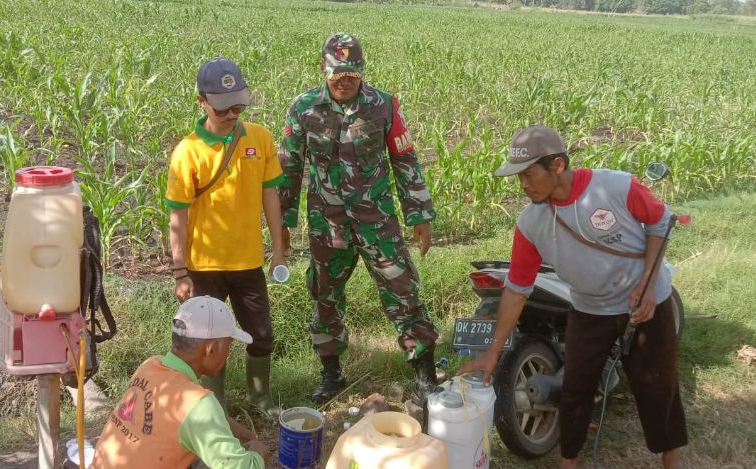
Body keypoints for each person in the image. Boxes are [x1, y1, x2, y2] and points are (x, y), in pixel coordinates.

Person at [458, 125, 687, 469]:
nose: (523, 184)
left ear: (558, 166)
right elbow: (518, 288)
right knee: (575, 390)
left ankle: (670, 458)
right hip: (589, 308)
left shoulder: (616, 186)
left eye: (529, 173)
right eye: (518, 176)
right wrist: (492, 353)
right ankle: (570, 460)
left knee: (658, 386)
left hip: (643, 304)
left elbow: (659, 222)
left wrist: (649, 285)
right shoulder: (530, 223)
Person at [278, 33, 439, 406]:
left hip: (377, 222)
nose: (345, 79)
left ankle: (425, 376)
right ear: (324, 69)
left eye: (352, 71)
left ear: (362, 70)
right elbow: (288, 168)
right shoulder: (303, 108)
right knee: (324, 297)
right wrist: (283, 226)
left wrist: (420, 214)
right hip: (327, 224)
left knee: (403, 291)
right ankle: (331, 373)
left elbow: (405, 160)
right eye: (337, 72)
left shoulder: (384, 106)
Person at [165, 57, 285, 418]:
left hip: (249, 262)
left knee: (261, 335)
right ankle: (214, 406)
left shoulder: (260, 138)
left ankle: (259, 398)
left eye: (238, 105)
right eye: (223, 107)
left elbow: (271, 197)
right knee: (208, 341)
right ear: (202, 101)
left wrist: (278, 250)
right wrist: (180, 272)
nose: (232, 113)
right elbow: (177, 216)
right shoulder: (187, 152)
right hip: (205, 268)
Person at [91, 296, 270, 469]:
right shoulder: (198, 404)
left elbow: (189, 418)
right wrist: (258, 454)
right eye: (228, 345)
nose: (228, 353)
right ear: (211, 348)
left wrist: (243, 434)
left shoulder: (150, 366)